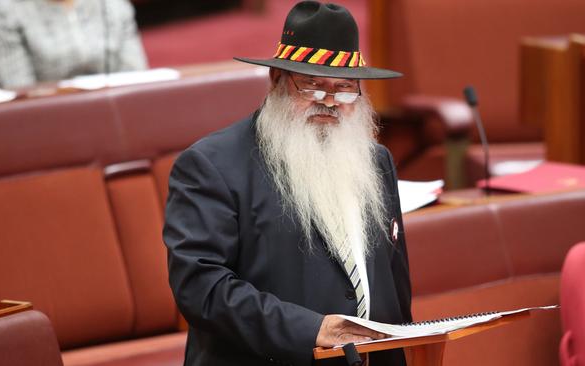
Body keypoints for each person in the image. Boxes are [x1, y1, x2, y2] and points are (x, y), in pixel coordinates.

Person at [163, 2, 411, 365]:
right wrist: (311, 330)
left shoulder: (376, 161)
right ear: (277, 80)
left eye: (344, 89)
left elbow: (394, 284)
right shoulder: (211, 166)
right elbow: (202, 289)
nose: (328, 102)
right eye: (312, 87)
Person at [0, 0, 147, 89]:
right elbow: (19, 92)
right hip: (45, 121)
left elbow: (136, 78)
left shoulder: (113, 4)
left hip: (114, 110)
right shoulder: (5, 11)